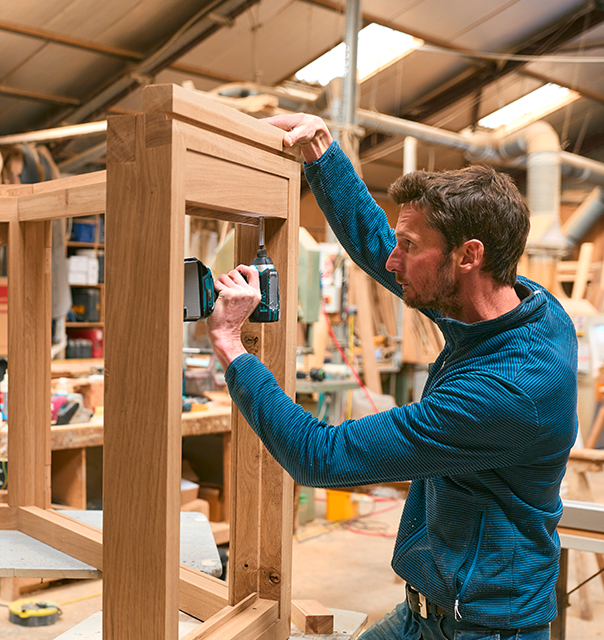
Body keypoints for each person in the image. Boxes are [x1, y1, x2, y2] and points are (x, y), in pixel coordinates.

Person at [206, 113, 577, 640]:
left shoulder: (509, 390)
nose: (393, 260)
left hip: (484, 627)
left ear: (469, 255)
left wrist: (231, 346)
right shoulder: (523, 307)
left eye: (410, 246)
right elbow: (379, 246)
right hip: (426, 610)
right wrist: (323, 154)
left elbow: (321, 455)